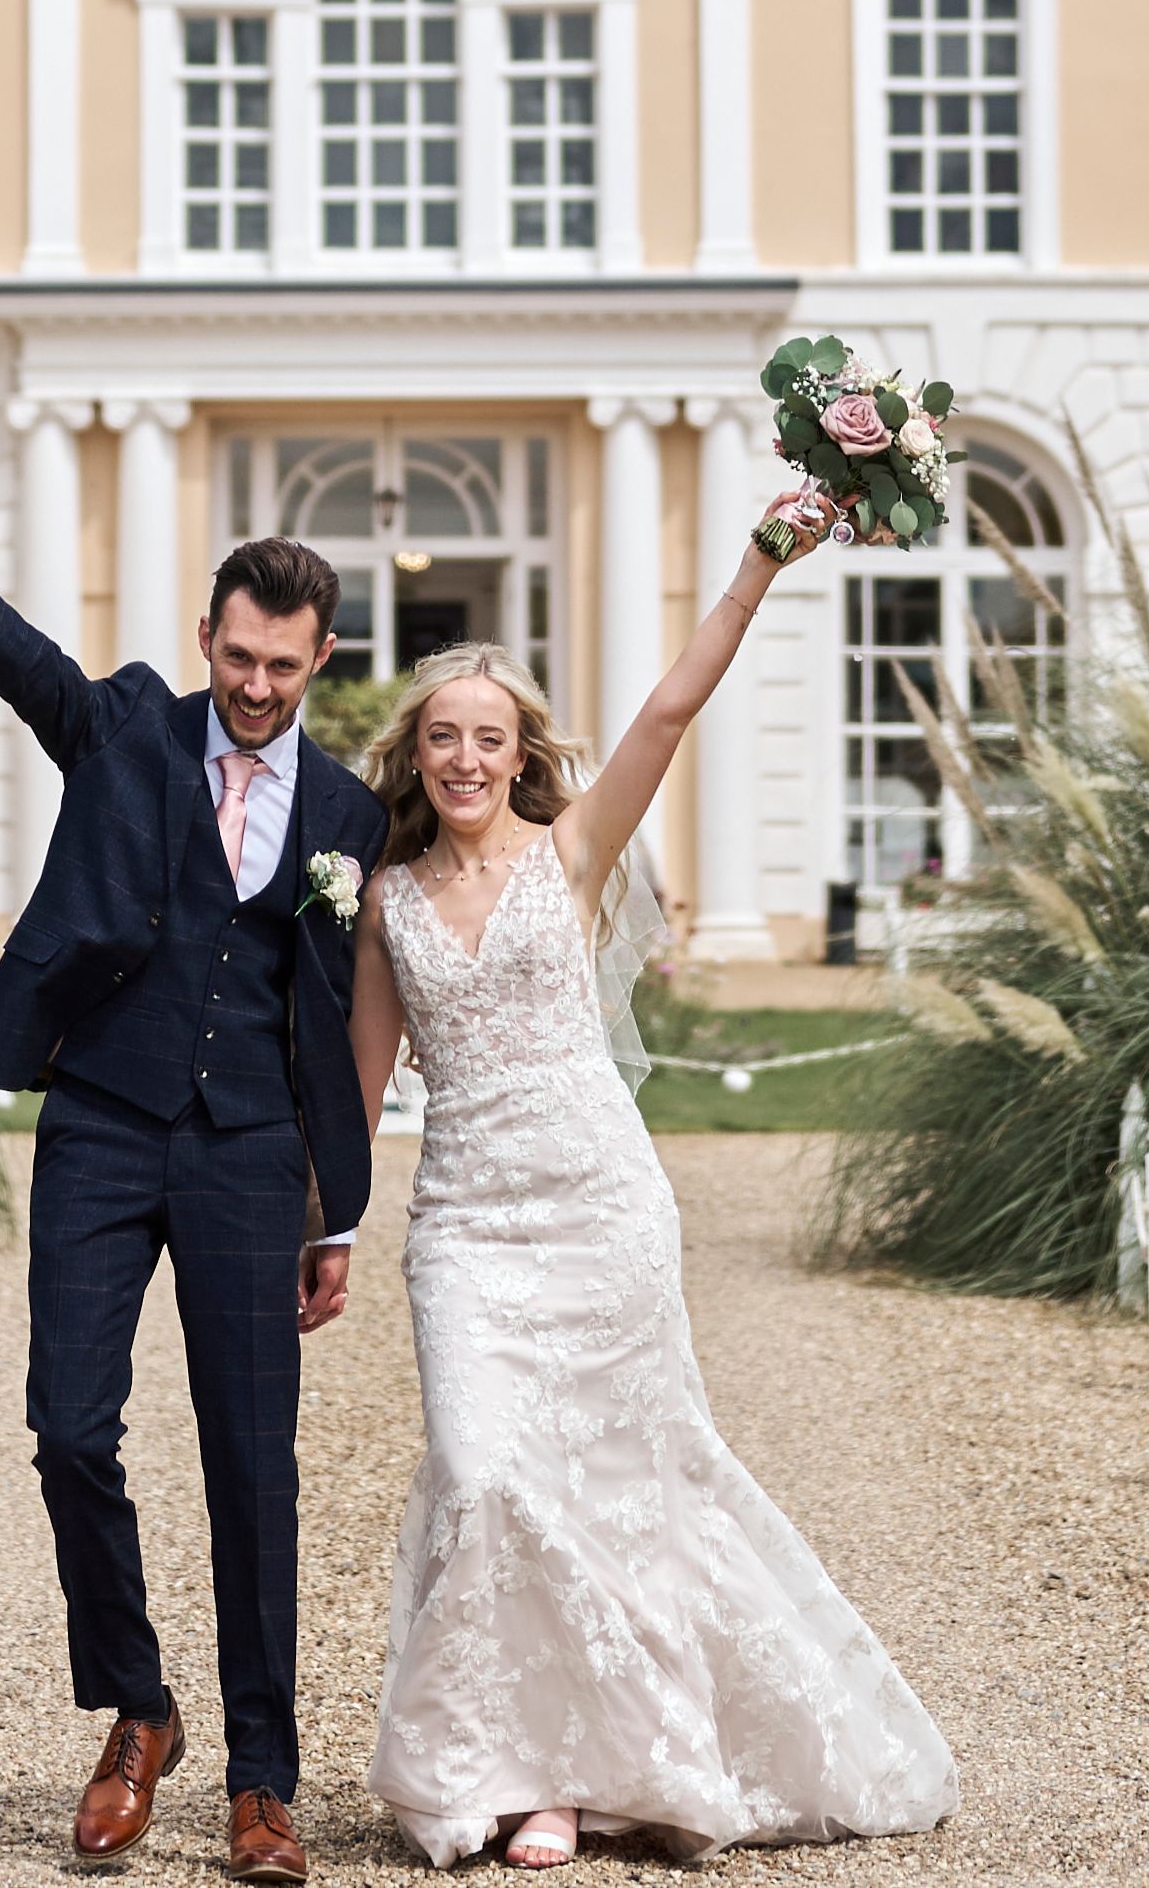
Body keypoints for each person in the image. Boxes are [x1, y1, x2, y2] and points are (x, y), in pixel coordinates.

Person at [350, 498, 959, 1870]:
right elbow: (355, 1088)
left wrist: (759, 564)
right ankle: (498, 1754)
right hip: (466, 1225)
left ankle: (569, 1779)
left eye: (489, 738)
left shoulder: (572, 854)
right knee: (484, 1472)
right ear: (415, 755)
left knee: (618, 1485)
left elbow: (673, 708)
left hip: (603, 1207)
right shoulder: (383, 902)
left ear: (520, 755)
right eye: (442, 737)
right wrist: (314, 1225)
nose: (465, 758)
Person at [0, 422, 386, 1887]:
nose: (256, 687)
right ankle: (140, 1708)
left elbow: (335, 1020)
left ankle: (264, 1782)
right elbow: (11, 653)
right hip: (102, 1121)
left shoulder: (348, 816)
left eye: (284, 666)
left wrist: (333, 1212)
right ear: (208, 638)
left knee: (252, 1463)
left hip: (252, 1153)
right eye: (239, 657)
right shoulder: (132, 726)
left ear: (321, 659)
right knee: (70, 1427)